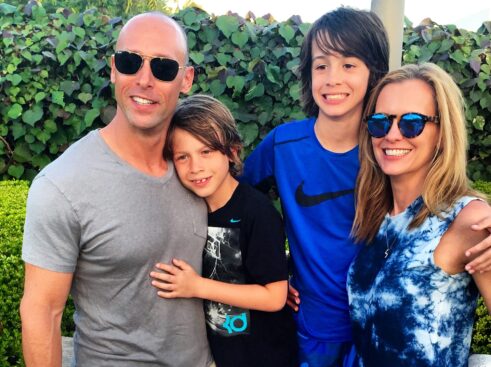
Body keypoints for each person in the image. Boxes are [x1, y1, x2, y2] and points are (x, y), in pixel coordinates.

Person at [20, 13, 213, 366]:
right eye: (130, 62)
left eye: (164, 68)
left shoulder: (199, 168)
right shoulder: (63, 185)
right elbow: (41, 311)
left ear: (186, 79)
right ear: (113, 69)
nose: (144, 80)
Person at [242, 7, 389, 366]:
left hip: (382, 327)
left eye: (349, 64)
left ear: (374, 73)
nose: (332, 78)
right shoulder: (283, 145)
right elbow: (235, 207)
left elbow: (439, 201)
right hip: (311, 329)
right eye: (321, 65)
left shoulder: (390, 147)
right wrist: (271, 273)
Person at [347, 62, 491, 366]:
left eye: (412, 122)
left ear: (442, 133)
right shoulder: (376, 214)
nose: (392, 135)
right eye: (380, 122)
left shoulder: (469, 220)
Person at [149, 94, 298, 367]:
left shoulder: (257, 212)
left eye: (206, 151)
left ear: (231, 152)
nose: (196, 167)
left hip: (265, 357)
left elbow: (275, 297)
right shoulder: (188, 208)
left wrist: (196, 286)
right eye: (183, 157)